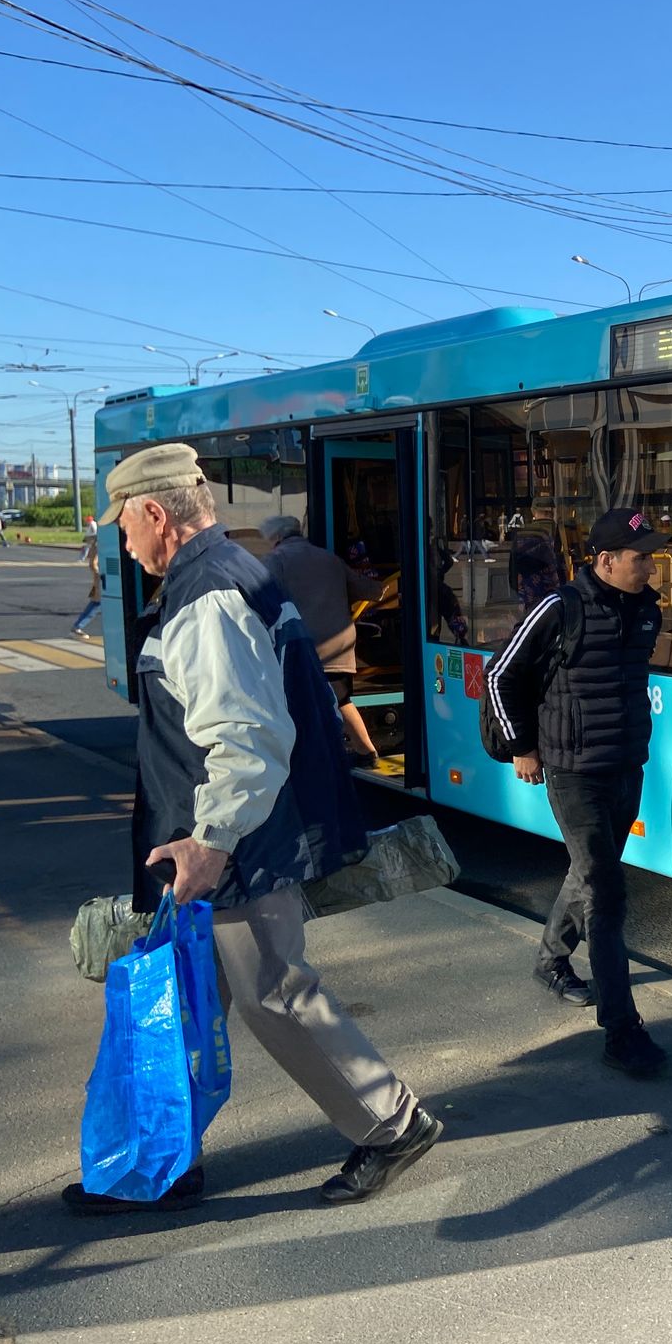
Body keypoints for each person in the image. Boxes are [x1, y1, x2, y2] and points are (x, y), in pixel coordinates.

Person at [62, 445, 439, 1215]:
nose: (123, 544)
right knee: (195, 1002)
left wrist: (211, 842)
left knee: (274, 991)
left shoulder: (206, 596)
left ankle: (392, 1123)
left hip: (231, 844)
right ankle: (166, 1164)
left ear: (156, 515)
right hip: (219, 840)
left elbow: (248, 738)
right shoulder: (237, 570)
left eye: (125, 527)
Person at [488, 507, 669, 1076]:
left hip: (625, 766)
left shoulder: (648, 611)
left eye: (650, 556)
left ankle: (549, 962)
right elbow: (500, 676)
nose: (649, 566)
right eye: (639, 557)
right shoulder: (558, 607)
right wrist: (522, 747)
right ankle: (622, 1032)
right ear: (606, 560)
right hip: (572, 773)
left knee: (591, 872)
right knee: (607, 897)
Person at [259, 514, 383, 763]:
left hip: (303, 644)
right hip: (340, 644)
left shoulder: (276, 560)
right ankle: (366, 750)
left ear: (277, 538)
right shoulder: (329, 558)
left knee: (296, 701)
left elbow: (261, 598)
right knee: (340, 700)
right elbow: (372, 590)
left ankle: (318, 756)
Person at [71, 527, 102, 636]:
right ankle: (78, 626)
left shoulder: (97, 543)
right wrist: (99, 576)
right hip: (101, 579)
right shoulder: (100, 543)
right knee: (97, 603)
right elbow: (93, 563)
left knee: (97, 603)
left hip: (98, 579)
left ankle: (78, 626)